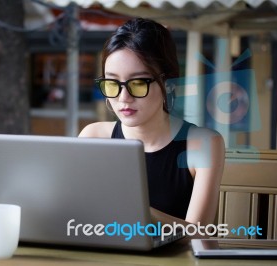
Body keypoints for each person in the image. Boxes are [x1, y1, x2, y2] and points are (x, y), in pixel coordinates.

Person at [79, 18, 225, 227]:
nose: (123, 98)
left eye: (138, 83)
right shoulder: (93, 138)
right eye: (112, 83)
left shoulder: (203, 144)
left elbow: (198, 233)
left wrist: (133, 208)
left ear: (169, 84)